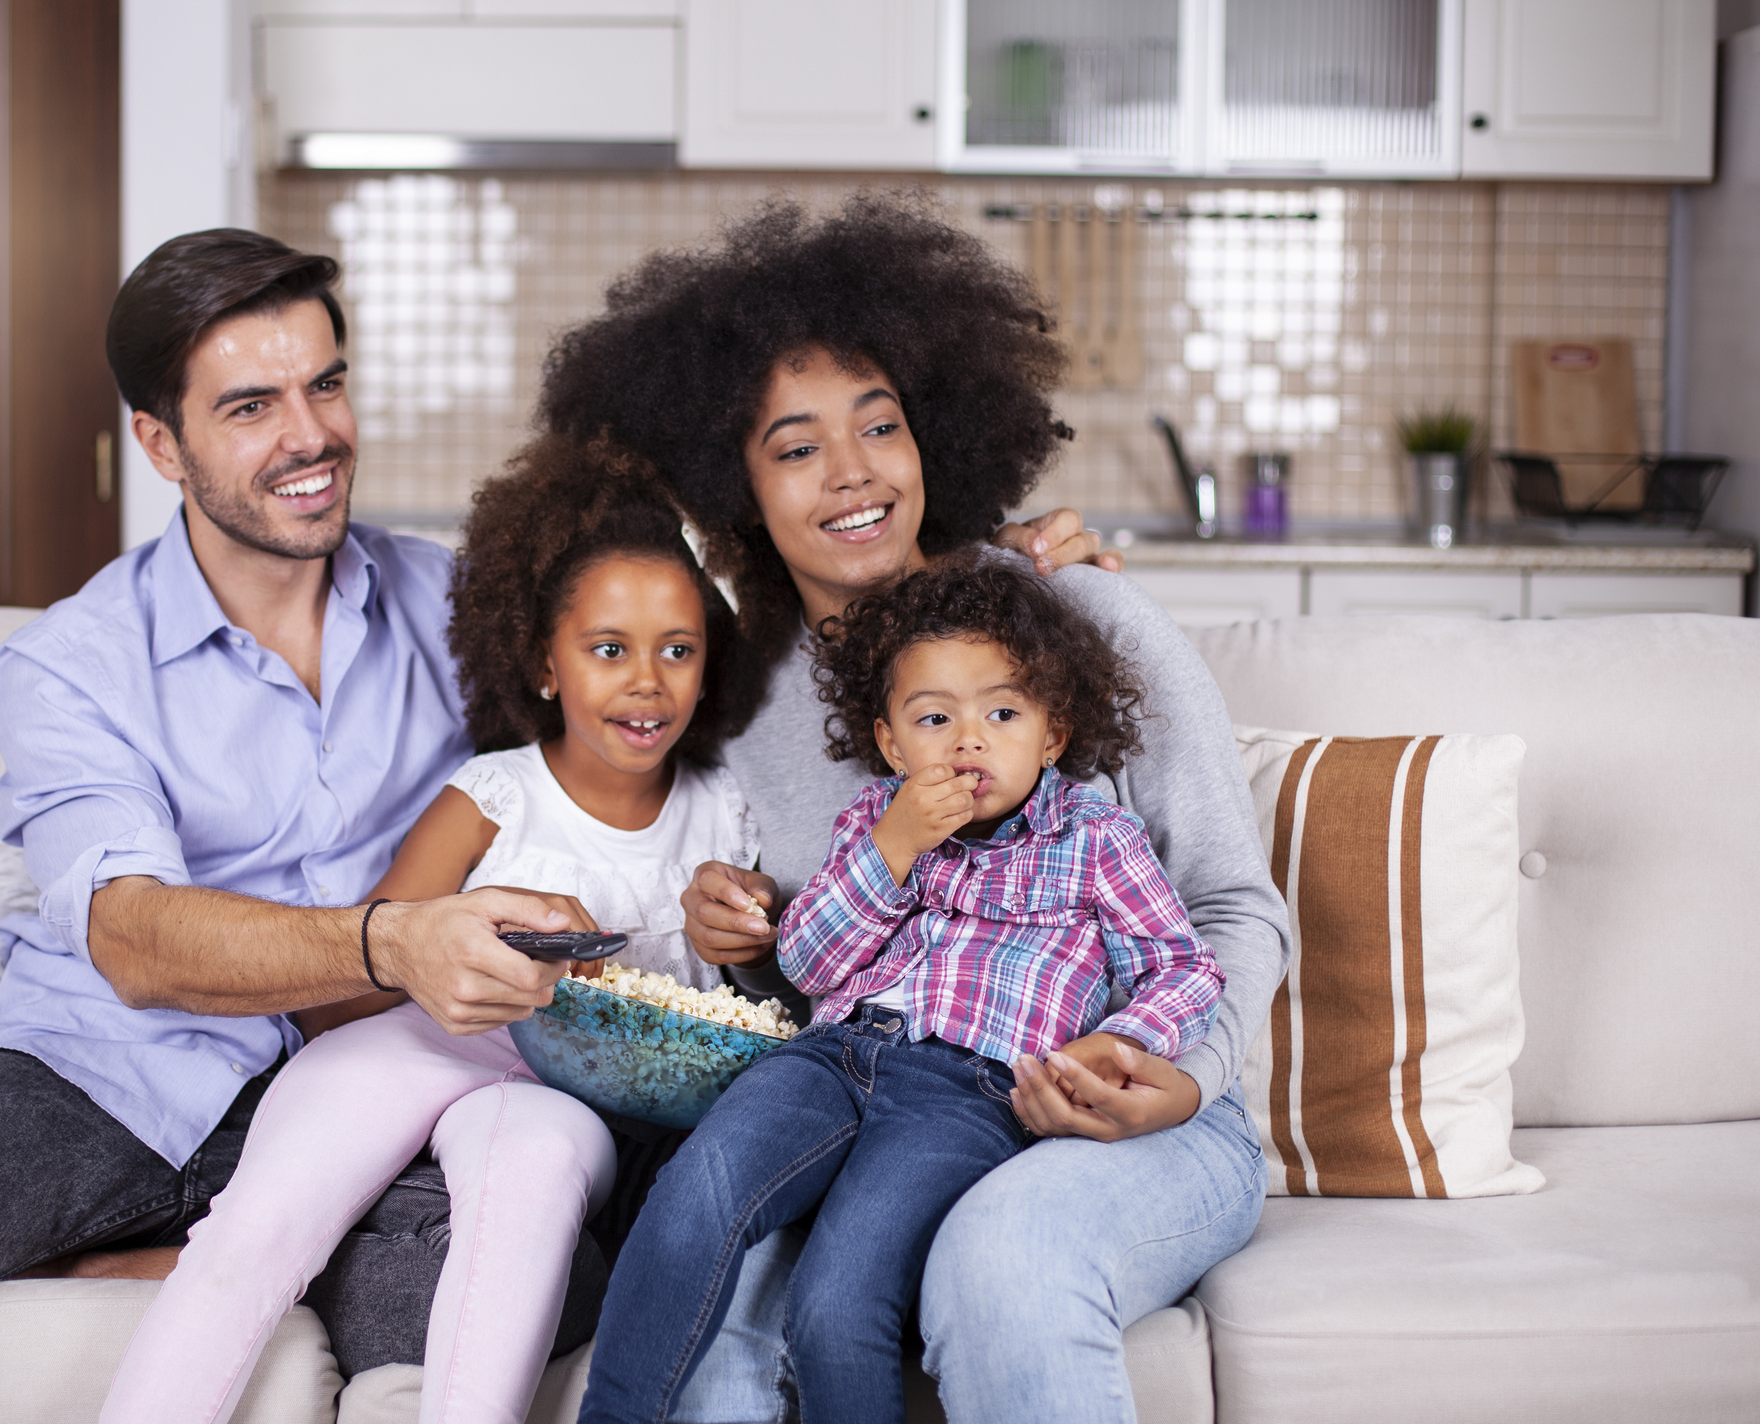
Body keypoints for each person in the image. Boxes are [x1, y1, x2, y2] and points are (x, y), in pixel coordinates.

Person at [0, 230, 604, 1424]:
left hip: (351, 1086)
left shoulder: (461, 608)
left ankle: (159, 1260)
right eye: (251, 405)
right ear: (161, 442)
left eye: (326, 382)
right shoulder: (67, 666)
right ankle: (135, 1254)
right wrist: (391, 938)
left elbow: (622, 725)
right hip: (87, 1071)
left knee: (557, 1275)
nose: (310, 435)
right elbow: (135, 943)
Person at [537, 194, 1290, 1424]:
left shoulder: (1078, 620)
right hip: (870, 1091)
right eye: (795, 446)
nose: (853, 472)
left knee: (1001, 1259)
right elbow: (825, 979)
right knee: (719, 1320)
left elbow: (1228, 905)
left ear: (933, 430)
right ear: (735, 487)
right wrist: (742, 937)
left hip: (1148, 1113)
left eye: (880, 425)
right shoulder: (743, 692)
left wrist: (1184, 1077)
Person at [99, 437, 772, 1424]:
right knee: (258, 1233)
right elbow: (359, 978)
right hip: (415, 1042)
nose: (647, 681)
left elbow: (738, 1005)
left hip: (557, 1091)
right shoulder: (494, 793)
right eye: (608, 648)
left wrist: (747, 931)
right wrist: (478, 939)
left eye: (678, 648)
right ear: (547, 663)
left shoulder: (725, 813)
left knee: (531, 1182)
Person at [579, 556, 1225, 1424]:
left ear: (1052, 734)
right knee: (695, 1195)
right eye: (934, 717)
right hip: (830, 1058)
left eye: (1002, 713)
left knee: (837, 1300)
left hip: (970, 1094)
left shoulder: (1097, 838)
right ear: (890, 743)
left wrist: (1121, 1041)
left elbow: (1183, 964)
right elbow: (807, 964)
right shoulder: (873, 823)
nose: (969, 741)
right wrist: (893, 845)